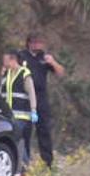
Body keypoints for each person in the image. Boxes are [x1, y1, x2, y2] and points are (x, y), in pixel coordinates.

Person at [19, 33, 65, 168]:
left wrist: (53, 62)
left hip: (41, 97)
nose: (37, 45)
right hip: (25, 98)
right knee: (25, 131)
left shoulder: (44, 57)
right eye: (34, 42)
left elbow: (61, 73)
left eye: (40, 42)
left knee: (44, 130)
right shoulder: (21, 56)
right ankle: (24, 163)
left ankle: (48, 163)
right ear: (29, 43)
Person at [0, 50, 38, 174]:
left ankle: (26, 170)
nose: (4, 63)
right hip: (9, 116)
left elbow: (31, 92)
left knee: (18, 141)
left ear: (13, 59)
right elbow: (1, 93)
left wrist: (33, 110)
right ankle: (26, 171)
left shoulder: (24, 73)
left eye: (6, 61)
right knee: (21, 143)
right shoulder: (7, 74)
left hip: (23, 116)